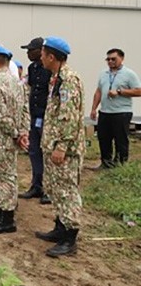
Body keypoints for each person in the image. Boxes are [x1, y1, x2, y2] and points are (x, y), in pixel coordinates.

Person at [35, 37, 86, 257]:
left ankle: (70, 238)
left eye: (43, 54)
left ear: (52, 57)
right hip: (52, 143)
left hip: (65, 149)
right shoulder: (56, 78)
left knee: (67, 191)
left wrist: (62, 146)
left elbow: (69, 116)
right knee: (55, 188)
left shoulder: (69, 80)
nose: (41, 58)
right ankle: (60, 227)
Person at [0, 44, 30, 234]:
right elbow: (25, 110)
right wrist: (23, 132)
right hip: (11, 137)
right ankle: (4, 208)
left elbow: (1, 117)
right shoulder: (16, 82)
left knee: (2, 177)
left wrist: (17, 134)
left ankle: (7, 219)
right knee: (9, 174)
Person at [89, 48, 141, 169]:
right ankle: (106, 163)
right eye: (108, 59)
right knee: (104, 138)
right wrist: (93, 109)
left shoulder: (129, 74)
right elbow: (98, 91)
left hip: (121, 112)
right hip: (105, 112)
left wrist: (120, 91)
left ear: (122, 59)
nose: (110, 61)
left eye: (113, 59)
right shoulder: (103, 74)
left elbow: (139, 91)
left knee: (121, 139)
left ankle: (121, 165)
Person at [19, 37, 52, 204]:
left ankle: (49, 189)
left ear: (40, 51)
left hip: (47, 118)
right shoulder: (32, 68)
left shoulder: (51, 70)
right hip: (35, 115)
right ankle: (36, 185)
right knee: (34, 151)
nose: (27, 53)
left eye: (30, 50)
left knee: (47, 153)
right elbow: (32, 90)